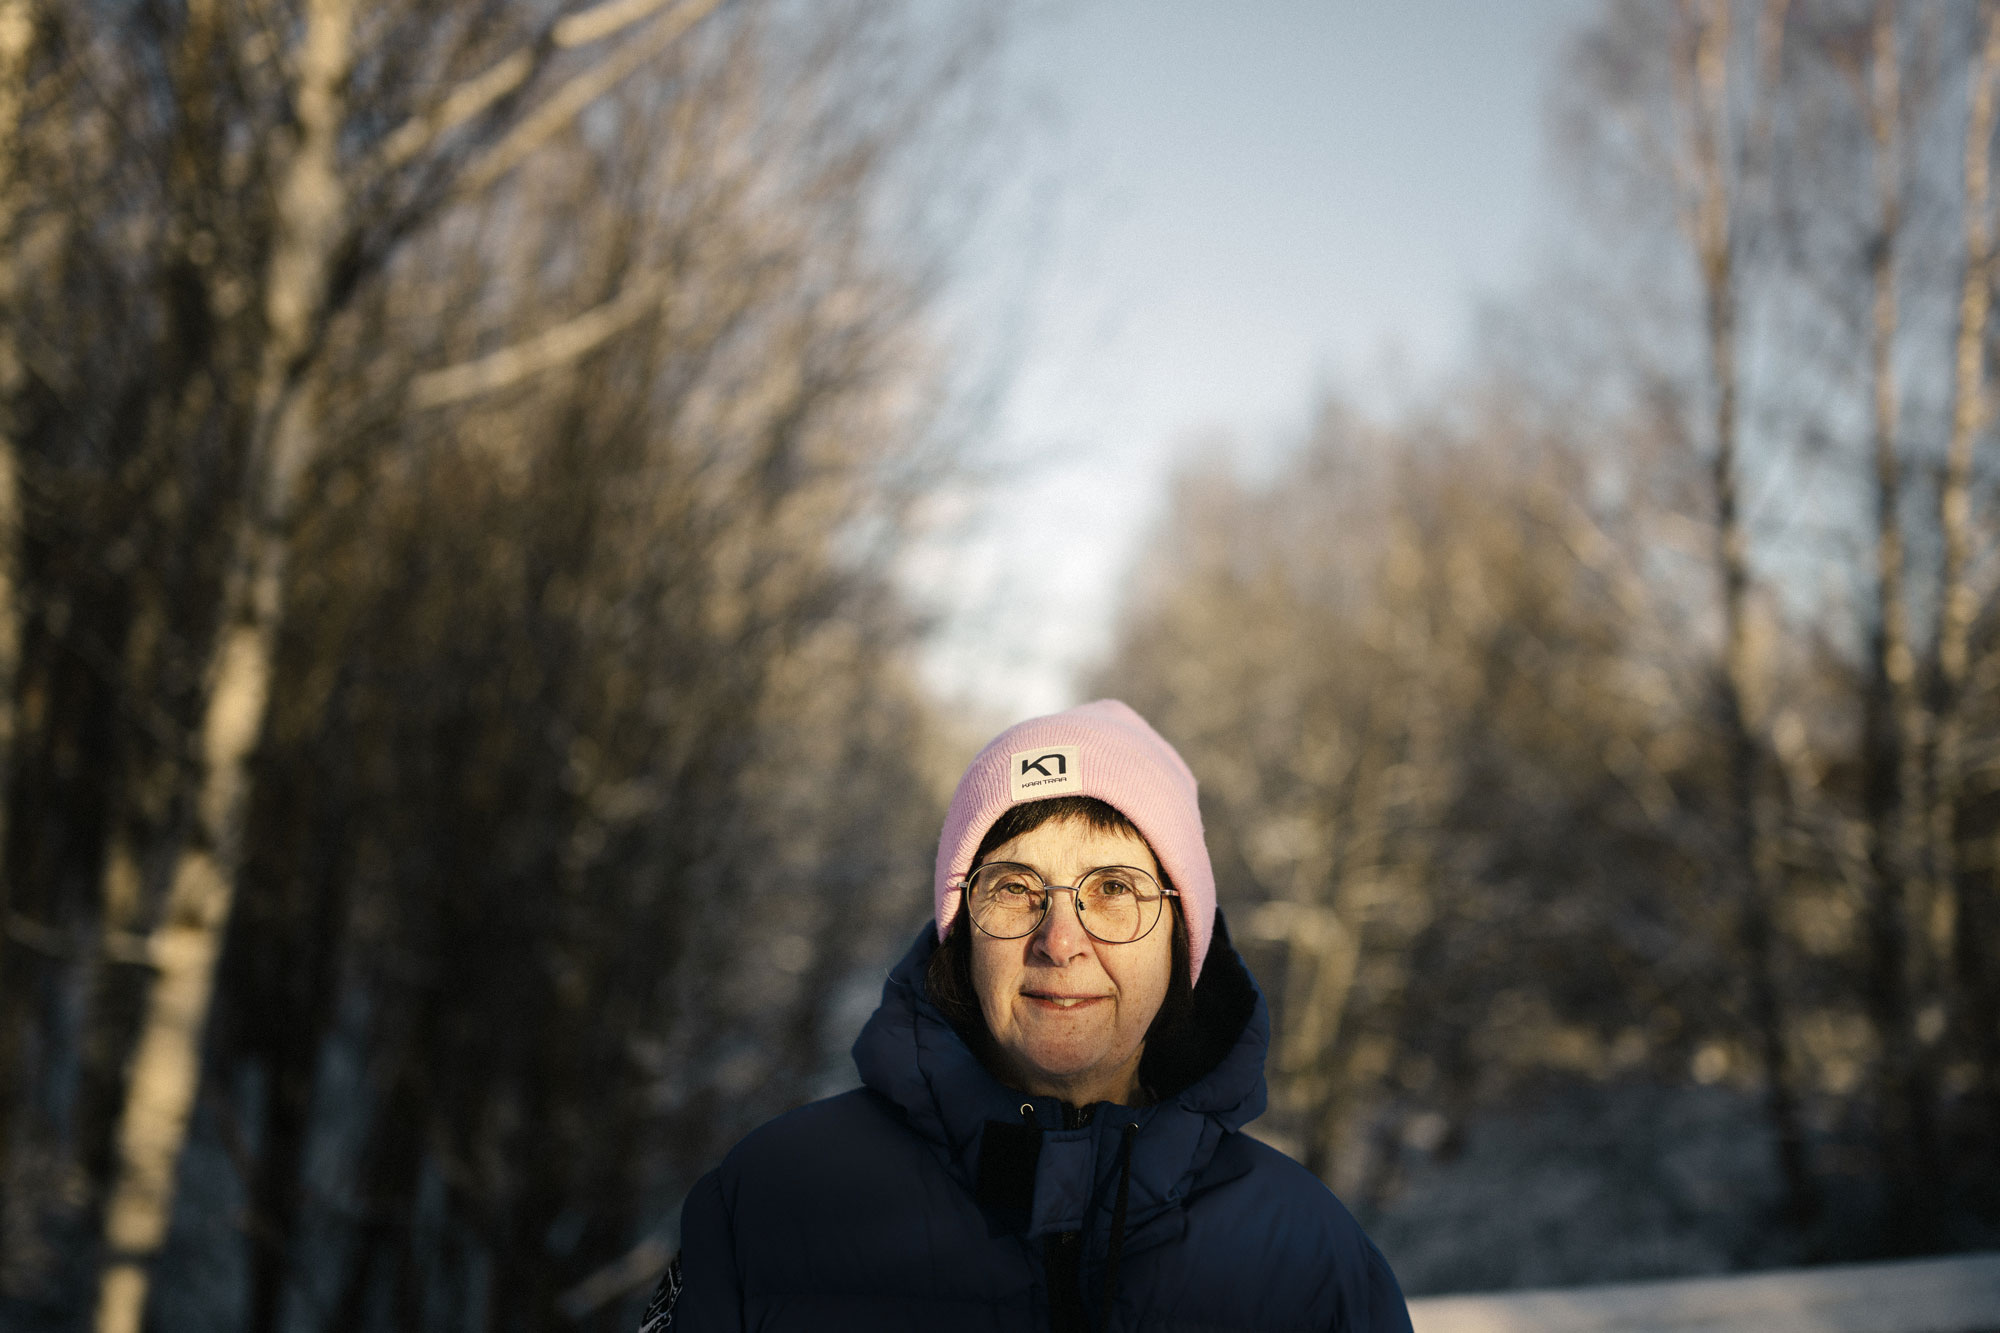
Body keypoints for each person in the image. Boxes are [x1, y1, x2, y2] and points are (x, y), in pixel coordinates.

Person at [650, 700, 1412, 1332]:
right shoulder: (772, 1205)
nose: (1060, 940)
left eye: (1114, 887)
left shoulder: (1313, 1262)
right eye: (1015, 887)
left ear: (1185, 938)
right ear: (960, 932)